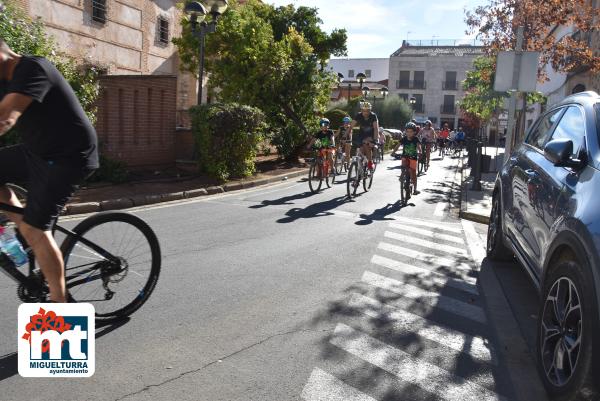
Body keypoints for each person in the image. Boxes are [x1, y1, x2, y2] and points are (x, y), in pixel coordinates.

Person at [0, 38, 99, 302]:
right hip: (37, 151)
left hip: (71, 156)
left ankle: (60, 306)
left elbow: (5, 117)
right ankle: (24, 226)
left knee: (36, 229)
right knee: (29, 226)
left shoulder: (33, 69)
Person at [350, 102, 379, 170]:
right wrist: (344, 136)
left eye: (367, 110)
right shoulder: (358, 115)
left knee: (366, 145)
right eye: (364, 110)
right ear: (361, 110)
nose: (366, 112)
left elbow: (376, 128)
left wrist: (375, 140)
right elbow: (351, 126)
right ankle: (361, 167)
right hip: (362, 135)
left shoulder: (373, 116)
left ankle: (370, 162)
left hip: (370, 135)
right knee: (361, 150)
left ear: (370, 110)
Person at [398, 122, 421, 195]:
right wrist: (393, 152)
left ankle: (415, 189)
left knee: (413, 172)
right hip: (405, 156)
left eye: (411, 132)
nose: (409, 133)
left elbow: (418, 146)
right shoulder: (404, 138)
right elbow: (398, 145)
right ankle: (402, 174)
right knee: (403, 165)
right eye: (407, 131)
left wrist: (420, 151)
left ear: (414, 132)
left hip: (413, 157)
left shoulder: (415, 139)